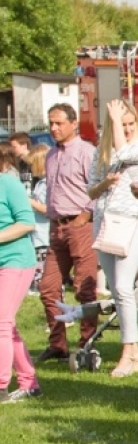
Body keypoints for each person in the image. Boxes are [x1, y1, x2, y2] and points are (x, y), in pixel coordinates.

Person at [88, 98, 138, 376]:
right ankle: (133, 352)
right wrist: (106, 183)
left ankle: (130, 350)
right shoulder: (102, 152)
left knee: (125, 288)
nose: (126, 129)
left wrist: (115, 121)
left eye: (129, 124)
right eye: (121, 124)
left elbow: (124, 153)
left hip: (133, 221)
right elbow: (91, 191)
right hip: (105, 223)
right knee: (116, 290)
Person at [36, 104, 98, 362]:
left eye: (59, 123)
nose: (53, 128)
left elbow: (98, 188)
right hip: (57, 227)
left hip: (80, 225)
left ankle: (87, 343)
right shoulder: (51, 155)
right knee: (48, 287)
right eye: (51, 123)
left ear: (73, 123)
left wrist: (85, 216)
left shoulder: (87, 152)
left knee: (84, 288)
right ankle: (58, 343)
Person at [0, 144, 41, 402]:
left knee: (1, 323)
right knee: (7, 325)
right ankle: (29, 382)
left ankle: (1, 385)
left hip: (16, 260)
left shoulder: (8, 183)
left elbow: (26, 222)